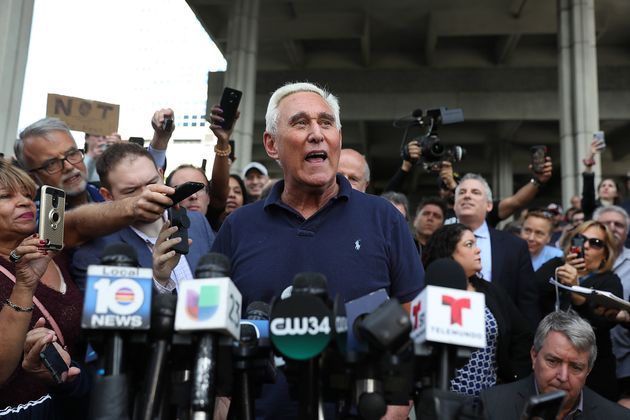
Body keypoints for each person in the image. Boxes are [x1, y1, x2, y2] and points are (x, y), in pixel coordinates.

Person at [211, 81, 424, 419]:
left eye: (326, 123)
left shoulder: (383, 219)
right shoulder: (238, 226)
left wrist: (397, 408)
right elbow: (212, 333)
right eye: (299, 123)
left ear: (338, 138)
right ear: (271, 144)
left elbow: (415, 319)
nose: (316, 134)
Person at [0, 159, 89, 416]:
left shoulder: (54, 253)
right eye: (6, 196)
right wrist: (25, 286)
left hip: (68, 401)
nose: (25, 202)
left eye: (28, 195)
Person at [71, 142, 215, 293]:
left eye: (152, 183)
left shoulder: (197, 222)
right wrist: (159, 281)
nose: (148, 195)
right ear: (107, 196)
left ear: (161, 174)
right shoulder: (95, 256)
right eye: (131, 190)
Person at [424, 223, 533, 396]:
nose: (478, 250)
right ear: (448, 251)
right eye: (469, 245)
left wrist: (513, 379)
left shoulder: (493, 292)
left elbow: (523, 336)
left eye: (476, 244)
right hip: (442, 400)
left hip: (491, 401)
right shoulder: (429, 293)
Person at [480, 310, 630, 419]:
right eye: (553, 361)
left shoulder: (617, 417)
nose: (563, 377)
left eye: (575, 367)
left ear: (588, 370)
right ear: (534, 356)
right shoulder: (491, 406)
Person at [535, 220, 623, 400]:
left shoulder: (609, 281)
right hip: (550, 361)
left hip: (593, 370)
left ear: (605, 254)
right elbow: (532, 290)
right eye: (580, 239)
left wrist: (576, 291)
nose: (586, 246)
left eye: (595, 243)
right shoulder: (556, 265)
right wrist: (561, 269)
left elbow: (602, 323)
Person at [453, 173, 539, 327]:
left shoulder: (514, 246)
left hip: (504, 337)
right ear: (454, 205)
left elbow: (528, 303)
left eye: (475, 192)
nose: (467, 196)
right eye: (462, 192)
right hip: (453, 328)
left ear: (489, 205)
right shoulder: (439, 242)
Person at [593, 205, 630, 404]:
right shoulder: (579, 261)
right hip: (588, 361)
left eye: (619, 225)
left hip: (626, 363)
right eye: (606, 223)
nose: (613, 228)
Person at [582, 136, 622, 220]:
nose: (606, 187)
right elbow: (588, 191)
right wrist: (590, 157)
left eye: (610, 186)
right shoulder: (591, 208)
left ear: (617, 193)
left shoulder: (622, 211)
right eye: (603, 186)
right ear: (598, 191)